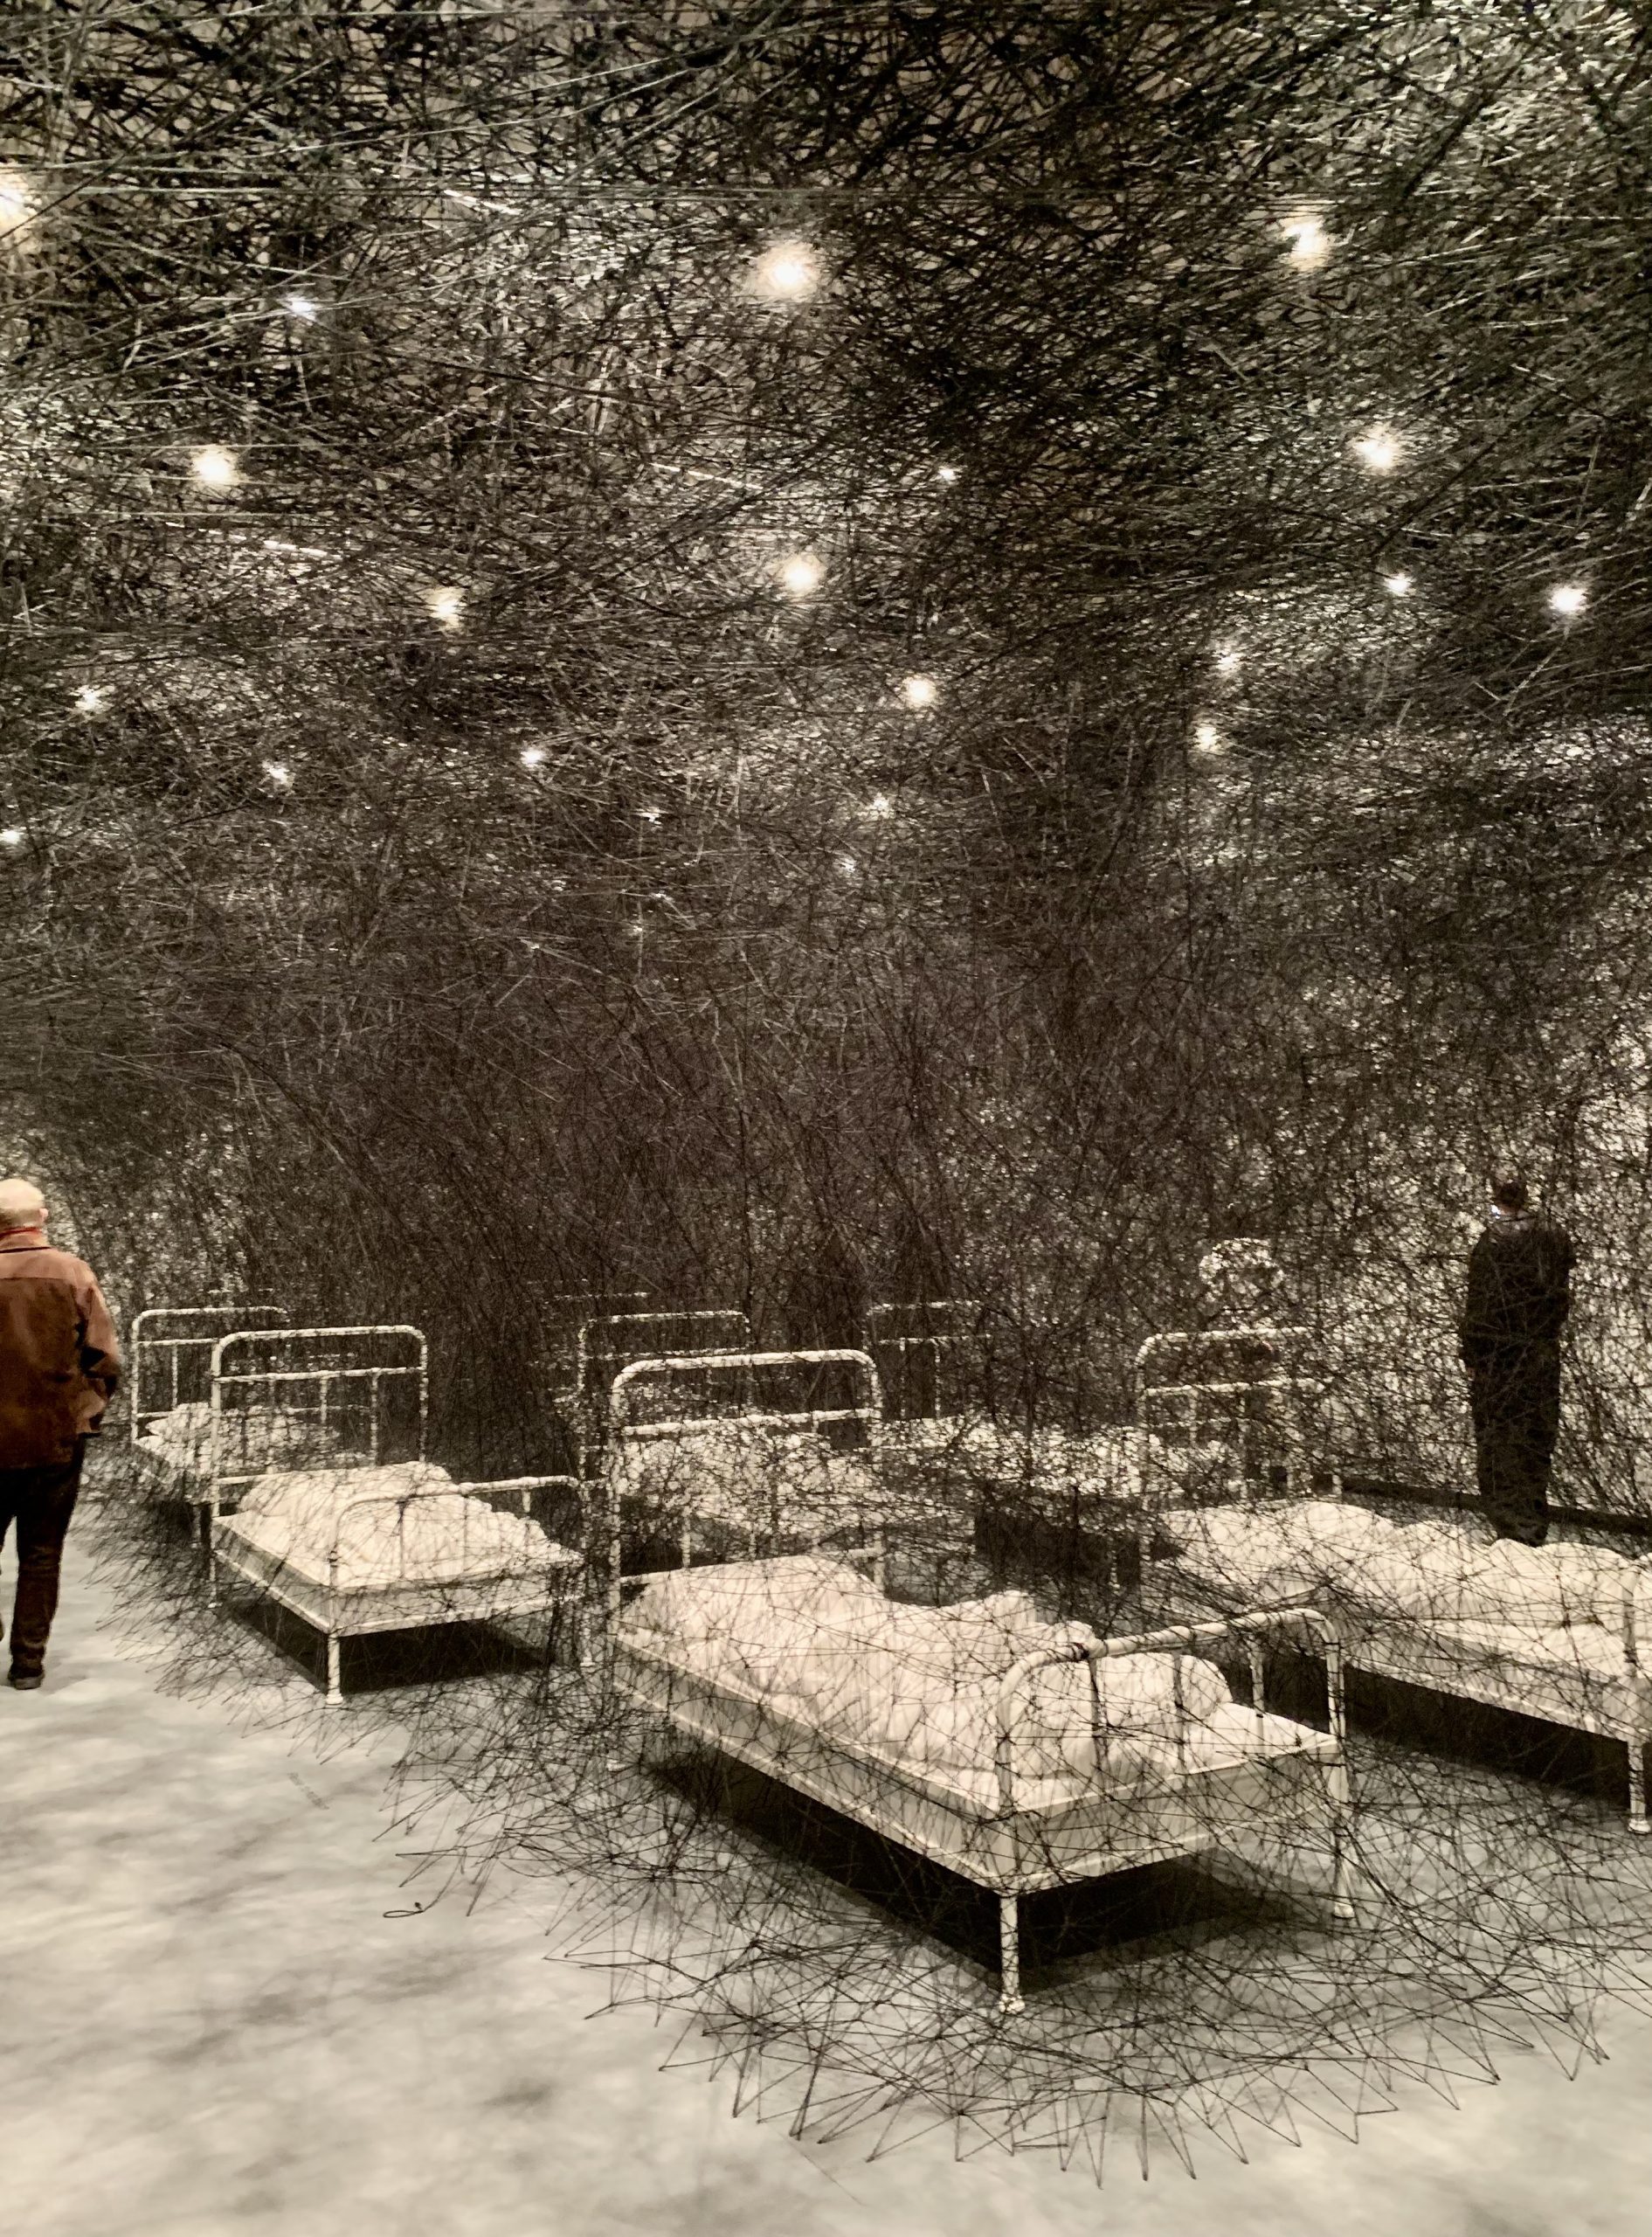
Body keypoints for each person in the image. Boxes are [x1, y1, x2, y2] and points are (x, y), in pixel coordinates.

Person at [0, 1177, 121, 1689]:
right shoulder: (72, 1273)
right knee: (41, 1554)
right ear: (41, 1217)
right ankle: (28, 1664)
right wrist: (85, 1415)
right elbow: (105, 1358)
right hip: (54, 1440)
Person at [1458, 1170, 1574, 1547]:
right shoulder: (1553, 1239)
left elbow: (1480, 1305)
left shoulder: (1493, 1243)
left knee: (1499, 1445)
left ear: (1498, 1200)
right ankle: (1531, 1527)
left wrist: (1473, 1353)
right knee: (1535, 1441)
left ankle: (1513, 1532)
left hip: (1499, 1357)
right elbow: (1558, 1300)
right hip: (1540, 1356)